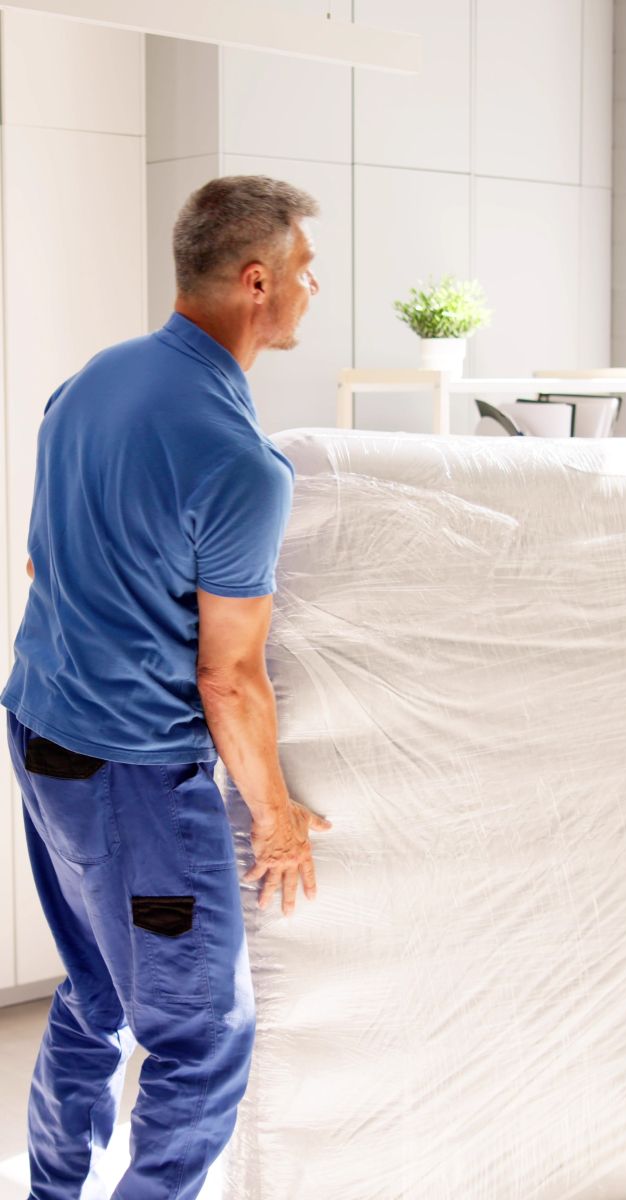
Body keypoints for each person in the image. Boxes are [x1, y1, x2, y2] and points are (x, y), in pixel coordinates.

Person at [1, 175, 331, 1200]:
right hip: (133, 775)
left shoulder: (90, 383)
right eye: (306, 270)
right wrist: (274, 820)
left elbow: (40, 568)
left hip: (37, 731)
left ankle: (52, 1189)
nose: (314, 288)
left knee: (97, 989)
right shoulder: (240, 463)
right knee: (203, 1040)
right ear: (255, 283)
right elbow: (228, 678)